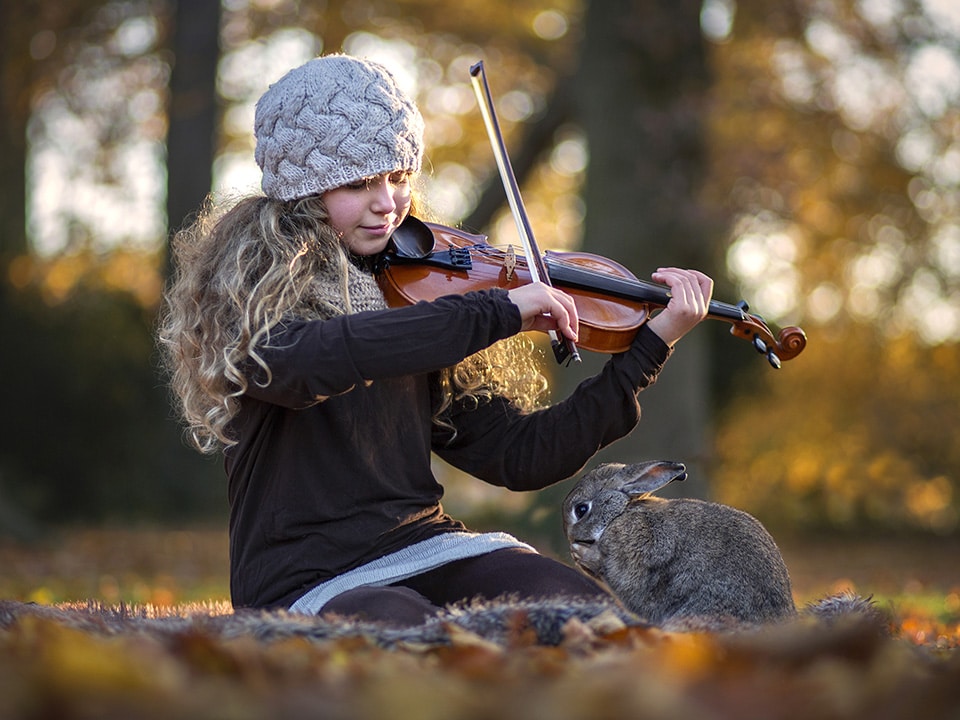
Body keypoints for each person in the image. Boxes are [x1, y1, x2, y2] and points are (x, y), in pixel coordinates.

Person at [158, 53, 714, 627]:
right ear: (303, 191)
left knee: (583, 615)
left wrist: (647, 350)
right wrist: (489, 313)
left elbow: (518, 456)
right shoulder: (257, 294)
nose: (387, 202)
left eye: (399, 177)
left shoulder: (417, 290)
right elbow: (319, 361)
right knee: (406, 632)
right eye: (359, 183)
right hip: (305, 573)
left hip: (423, 544)